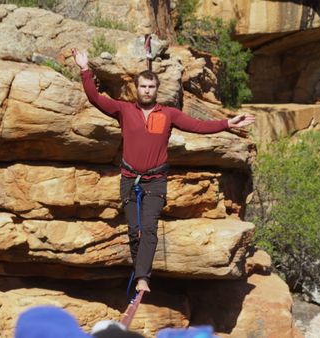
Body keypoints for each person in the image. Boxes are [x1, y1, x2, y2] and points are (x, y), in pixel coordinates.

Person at [72, 48, 255, 293]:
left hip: (155, 181)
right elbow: (95, 98)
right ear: (136, 89)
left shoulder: (168, 114)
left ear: (157, 90)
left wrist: (227, 123)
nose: (147, 90)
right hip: (129, 179)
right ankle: (140, 272)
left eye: (151, 87)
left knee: (148, 228)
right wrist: (85, 69)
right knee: (135, 231)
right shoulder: (124, 111)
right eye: (143, 87)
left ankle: (142, 278)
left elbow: (198, 126)